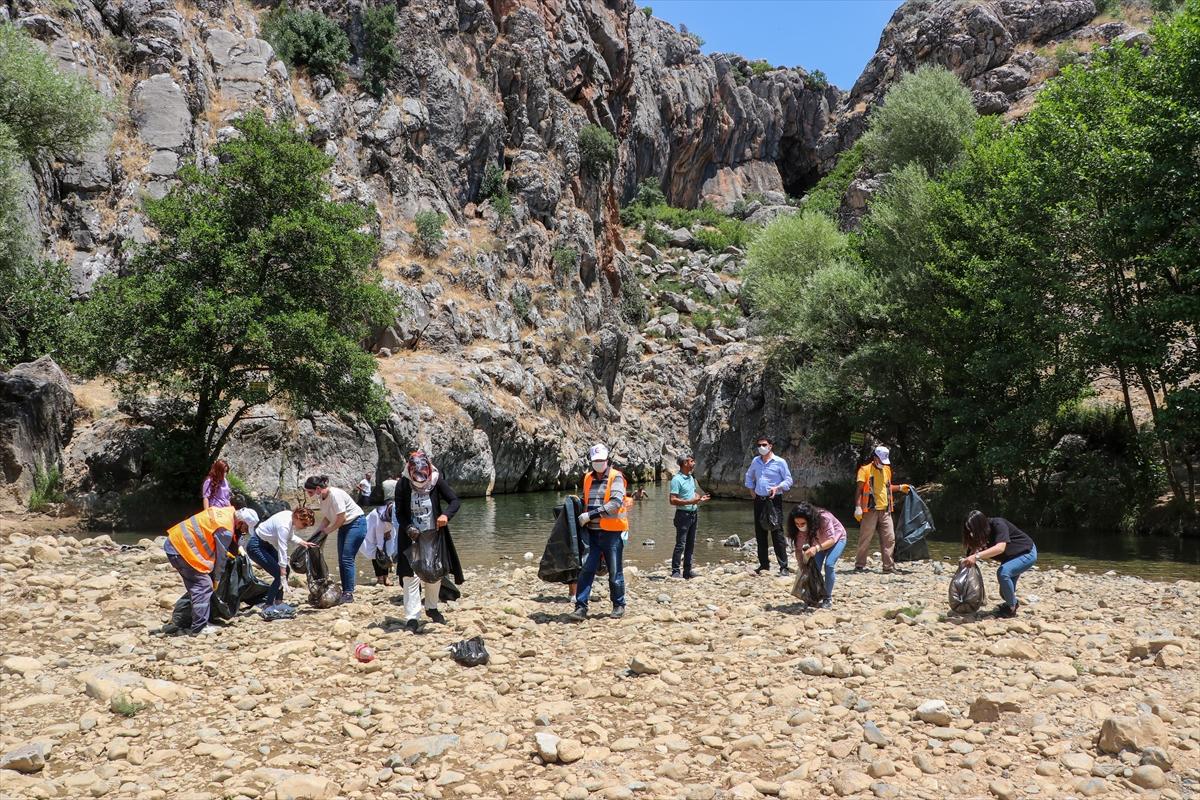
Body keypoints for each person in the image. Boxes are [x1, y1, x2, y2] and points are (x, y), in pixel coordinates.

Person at [394, 452, 464, 632]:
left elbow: (454, 501)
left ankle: (432, 608)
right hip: (411, 537)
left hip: (434, 535)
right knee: (411, 576)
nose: (419, 481)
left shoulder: (436, 480)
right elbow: (399, 512)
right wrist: (408, 527)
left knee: (434, 572)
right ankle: (412, 618)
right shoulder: (402, 484)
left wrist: (445, 515)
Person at [162, 505, 248, 635]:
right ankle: (199, 627)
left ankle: (196, 620)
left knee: (198, 586)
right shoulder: (225, 529)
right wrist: (217, 580)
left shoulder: (227, 513)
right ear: (241, 523)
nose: (244, 532)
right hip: (181, 549)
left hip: (176, 543)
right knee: (203, 586)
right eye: (245, 529)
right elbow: (221, 558)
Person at [568, 444, 629, 622]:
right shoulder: (587, 478)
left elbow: (615, 503)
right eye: (596, 461)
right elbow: (587, 500)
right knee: (586, 569)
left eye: (601, 460)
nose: (599, 463)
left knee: (615, 570)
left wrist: (590, 515)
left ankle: (618, 605)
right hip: (592, 533)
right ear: (591, 461)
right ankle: (580, 607)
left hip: (612, 533)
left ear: (607, 459)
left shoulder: (615, 477)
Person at [961, 510, 1038, 618]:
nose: (971, 533)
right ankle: (1011, 602)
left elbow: (1000, 548)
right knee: (1005, 594)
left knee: (1003, 573)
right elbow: (972, 552)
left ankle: (1011, 609)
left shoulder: (998, 524)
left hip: (1026, 553)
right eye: (968, 530)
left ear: (981, 525)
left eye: (973, 529)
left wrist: (977, 556)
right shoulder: (975, 535)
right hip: (1009, 558)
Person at [304, 475, 367, 604]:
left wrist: (328, 530)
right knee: (341, 559)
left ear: (317, 488)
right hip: (344, 526)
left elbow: (342, 517)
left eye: (310, 492)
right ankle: (345, 590)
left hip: (356, 523)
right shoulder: (321, 498)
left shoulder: (335, 495)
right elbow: (327, 518)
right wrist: (316, 534)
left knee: (347, 558)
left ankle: (348, 593)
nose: (309, 495)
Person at [853, 445, 911, 573]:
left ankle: (888, 567)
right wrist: (858, 507)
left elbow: (887, 488)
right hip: (869, 510)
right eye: (881, 461)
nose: (883, 464)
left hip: (885, 510)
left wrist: (900, 488)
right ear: (875, 458)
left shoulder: (887, 470)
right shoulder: (865, 470)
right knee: (865, 538)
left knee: (889, 538)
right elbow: (859, 490)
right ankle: (859, 565)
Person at [245, 506, 315, 607]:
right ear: (298, 517)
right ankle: (268, 605)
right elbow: (283, 547)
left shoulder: (290, 517)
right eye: (304, 524)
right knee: (279, 574)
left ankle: (278, 601)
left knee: (286, 570)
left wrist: (303, 542)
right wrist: (282, 568)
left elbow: (290, 536)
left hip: (266, 544)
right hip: (255, 546)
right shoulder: (284, 525)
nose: (304, 527)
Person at [744, 436, 793, 576]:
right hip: (759, 500)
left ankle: (784, 567)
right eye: (759, 445)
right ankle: (764, 565)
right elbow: (749, 476)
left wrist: (778, 487)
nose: (761, 447)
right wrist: (751, 490)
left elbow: (789, 480)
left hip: (774, 500)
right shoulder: (756, 461)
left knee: (777, 533)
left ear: (770, 446)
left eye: (764, 444)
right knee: (760, 533)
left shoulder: (780, 462)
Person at [788, 502, 847, 608]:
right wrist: (801, 565)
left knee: (829, 565)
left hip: (837, 539)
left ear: (810, 520)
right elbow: (798, 549)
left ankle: (827, 598)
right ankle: (813, 596)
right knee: (813, 568)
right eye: (797, 524)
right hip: (818, 543)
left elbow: (831, 540)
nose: (800, 527)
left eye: (802, 524)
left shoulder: (825, 518)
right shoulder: (799, 530)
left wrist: (816, 548)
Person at [669, 454, 710, 579]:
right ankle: (675, 571)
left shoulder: (691, 477)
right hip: (682, 515)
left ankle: (687, 571)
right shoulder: (676, 479)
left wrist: (699, 499)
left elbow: (691, 495)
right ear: (685, 463)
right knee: (680, 544)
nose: (694, 463)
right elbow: (672, 500)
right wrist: (690, 502)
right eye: (692, 461)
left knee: (691, 543)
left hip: (693, 514)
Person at [360, 501, 398, 586]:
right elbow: (378, 532)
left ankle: (386, 577)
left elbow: (394, 524)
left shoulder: (394, 510)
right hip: (371, 531)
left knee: (387, 552)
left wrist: (389, 531)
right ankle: (380, 578)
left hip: (385, 531)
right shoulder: (379, 514)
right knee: (376, 554)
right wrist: (380, 548)